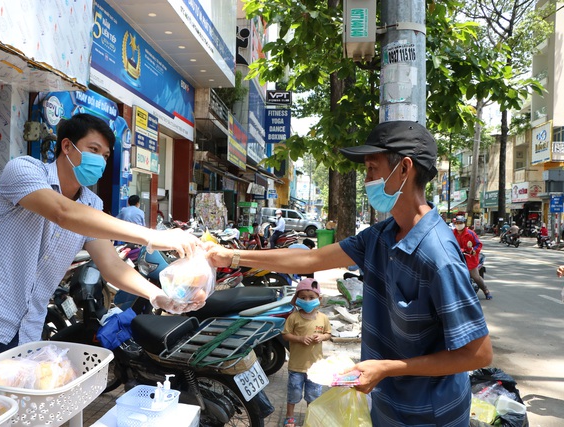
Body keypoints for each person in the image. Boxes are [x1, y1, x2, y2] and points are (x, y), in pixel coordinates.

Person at [207, 121, 492, 425]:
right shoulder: (381, 235)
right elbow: (311, 259)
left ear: (405, 169)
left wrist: (388, 368)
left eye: (372, 168)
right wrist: (232, 256)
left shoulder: (439, 255)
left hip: (430, 414)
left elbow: (478, 354)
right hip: (385, 403)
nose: (366, 179)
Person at [0, 113, 202, 388]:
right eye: (93, 150)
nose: (100, 161)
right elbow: (61, 212)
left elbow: (111, 265)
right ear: (67, 147)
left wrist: (158, 296)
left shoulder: (91, 204)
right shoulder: (24, 170)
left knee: (3, 415)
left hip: (24, 334)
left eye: (105, 156)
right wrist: (152, 236)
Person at [282, 278, 331, 427]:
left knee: (314, 396)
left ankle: (311, 417)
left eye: (311, 297)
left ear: (319, 299)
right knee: (294, 393)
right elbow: (285, 334)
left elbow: (328, 334)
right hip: (296, 366)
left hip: (315, 368)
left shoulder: (323, 318)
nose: (307, 300)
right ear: (297, 299)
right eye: (303, 297)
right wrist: (300, 338)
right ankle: (290, 416)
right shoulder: (293, 317)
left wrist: (322, 336)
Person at [453, 215, 492, 300]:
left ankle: (486, 291)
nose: (458, 224)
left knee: (475, 276)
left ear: (464, 223)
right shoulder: (453, 233)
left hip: (470, 257)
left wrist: (474, 250)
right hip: (457, 257)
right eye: (457, 223)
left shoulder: (470, 233)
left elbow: (478, 244)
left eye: (460, 223)